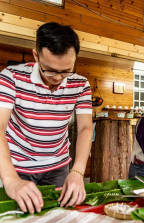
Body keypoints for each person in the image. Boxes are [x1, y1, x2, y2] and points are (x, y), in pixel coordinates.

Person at [0, 22, 93, 213]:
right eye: (50, 69)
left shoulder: (81, 84)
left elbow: (85, 128)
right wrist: (10, 179)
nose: (58, 78)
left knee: (58, 216)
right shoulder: (11, 77)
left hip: (58, 166)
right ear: (36, 55)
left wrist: (77, 172)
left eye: (66, 70)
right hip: (17, 163)